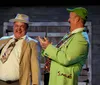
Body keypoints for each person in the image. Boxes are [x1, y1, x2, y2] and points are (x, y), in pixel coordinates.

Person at [38, 7, 90, 85]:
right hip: (54, 78)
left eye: (70, 18)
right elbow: (60, 52)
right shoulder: (71, 36)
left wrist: (49, 47)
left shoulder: (81, 39)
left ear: (77, 19)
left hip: (62, 81)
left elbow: (66, 59)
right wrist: (46, 47)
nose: (68, 20)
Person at [0, 13, 41, 85]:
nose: (18, 29)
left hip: (18, 83)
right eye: (16, 26)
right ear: (13, 26)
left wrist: (35, 83)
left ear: (26, 28)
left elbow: (35, 69)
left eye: (22, 26)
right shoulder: (3, 40)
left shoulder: (32, 44)